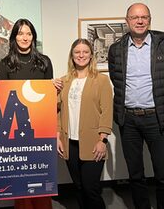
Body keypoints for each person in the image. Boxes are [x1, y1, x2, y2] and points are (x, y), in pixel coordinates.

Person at [108, 3, 164, 209]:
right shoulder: (116, 50)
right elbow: (117, 81)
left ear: (150, 20)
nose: (140, 21)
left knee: (163, 174)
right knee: (135, 175)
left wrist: (160, 100)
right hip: (129, 120)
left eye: (144, 17)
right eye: (135, 17)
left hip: (157, 119)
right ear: (127, 21)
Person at [0, 18, 62, 209]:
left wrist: (55, 88)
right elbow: (2, 99)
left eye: (28, 33)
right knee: (21, 184)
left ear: (33, 37)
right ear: (14, 37)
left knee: (42, 180)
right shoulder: (5, 64)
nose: (24, 37)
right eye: (20, 33)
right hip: (16, 130)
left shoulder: (44, 61)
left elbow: (49, 99)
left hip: (41, 129)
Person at [57, 38, 113, 209]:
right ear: (72, 56)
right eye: (77, 52)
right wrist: (57, 136)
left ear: (91, 55)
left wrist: (102, 140)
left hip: (93, 142)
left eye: (85, 52)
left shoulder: (102, 80)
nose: (81, 55)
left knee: (91, 189)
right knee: (79, 188)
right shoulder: (64, 81)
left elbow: (107, 111)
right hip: (69, 143)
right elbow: (58, 111)